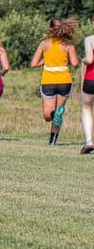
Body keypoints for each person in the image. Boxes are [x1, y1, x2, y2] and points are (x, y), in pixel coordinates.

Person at [30, 18, 80, 146]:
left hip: (49, 81)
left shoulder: (44, 44)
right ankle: (52, 141)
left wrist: (46, 60)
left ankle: (54, 115)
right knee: (59, 111)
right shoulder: (68, 45)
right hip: (65, 81)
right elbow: (75, 63)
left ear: (50, 29)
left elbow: (33, 64)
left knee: (48, 115)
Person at [81, 17, 94, 154]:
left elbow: (90, 59)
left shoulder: (90, 39)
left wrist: (83, 60)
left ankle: (89, 141)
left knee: (87, 107)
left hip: (91, 78)